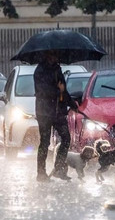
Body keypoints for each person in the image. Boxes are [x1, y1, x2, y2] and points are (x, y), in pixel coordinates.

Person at [34, 50, 78, 182]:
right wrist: (58, 90)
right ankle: (41, 173)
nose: (55, 58)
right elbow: (43, 91)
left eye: (56, 55)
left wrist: (72, 104)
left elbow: (63, 91)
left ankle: (59, 169)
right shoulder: (39, 71)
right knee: (45, 142)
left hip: (58, 112)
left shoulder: (57, 69)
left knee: (66, 138)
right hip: (44, 112)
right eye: (53, 55)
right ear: (47, 56)